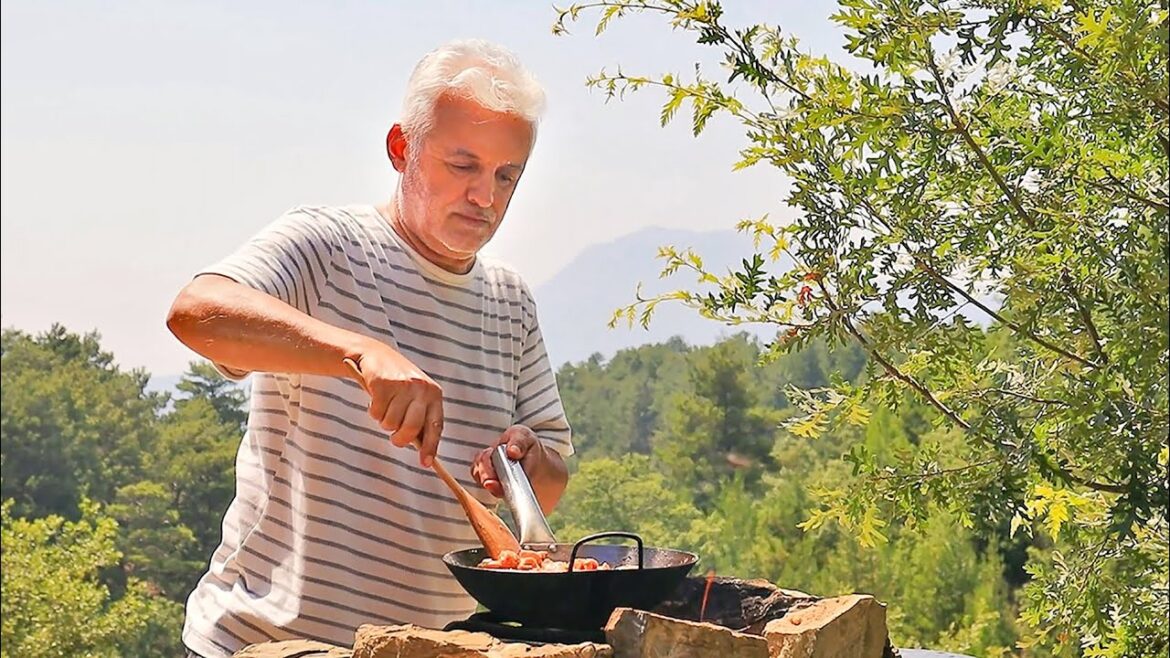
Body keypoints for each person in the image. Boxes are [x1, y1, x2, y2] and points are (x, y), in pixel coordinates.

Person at [165, 39, 573, 658]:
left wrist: (524, 462)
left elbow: (549, 487)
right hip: (269, 643)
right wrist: (358, 351)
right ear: (401, 148)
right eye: (462, 165)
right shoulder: (326, 247)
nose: (485, 197)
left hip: (434, 648)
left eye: (506, 175)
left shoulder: (510, 300)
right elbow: (195, 312)